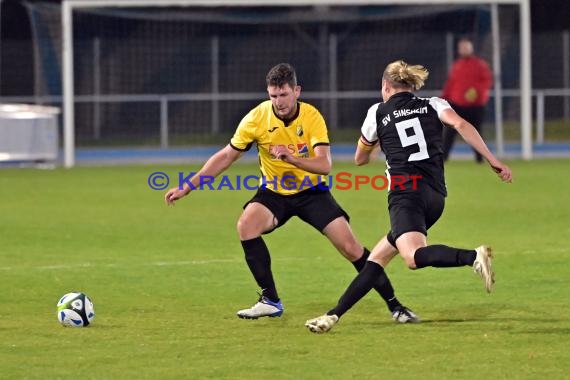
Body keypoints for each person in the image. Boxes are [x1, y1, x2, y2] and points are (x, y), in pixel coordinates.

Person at [164, 63, 416, 322]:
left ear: (296, 91)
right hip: (274, 193)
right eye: (273, 96)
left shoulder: (311, 116)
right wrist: (187, 186)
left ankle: (395, 305)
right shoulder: (256, 118)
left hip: (312, 193)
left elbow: (324, 165)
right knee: (246, 225)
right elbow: (227, 156)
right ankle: (270, 300)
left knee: (351, 248)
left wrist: (292, 158)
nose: (278, 102)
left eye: (283, 95)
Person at [305, 60, 512, 333]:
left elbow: (360, 159)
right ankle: (332, 316)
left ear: (385, 86)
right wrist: (492, 159)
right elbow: (462, 125)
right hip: (436, 197)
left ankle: (472, 256)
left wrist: (377, 140)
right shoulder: (434, 104)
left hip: (406, 195)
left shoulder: (377, 113)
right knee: (376, 260)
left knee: (412, 257)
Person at [441, 37, 493, 163]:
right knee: (449, 133)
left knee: (475, 132)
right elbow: (450, 83)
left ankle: (480, 159)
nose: (464, 49)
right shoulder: (457, 65)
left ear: (471, 48)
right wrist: (443, 98)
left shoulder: (480, 65)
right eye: (461, 47)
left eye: (466, 47)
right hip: (457, 105)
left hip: (475, 106)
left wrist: (477, 91)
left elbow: (487, 81)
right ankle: (443, 158)